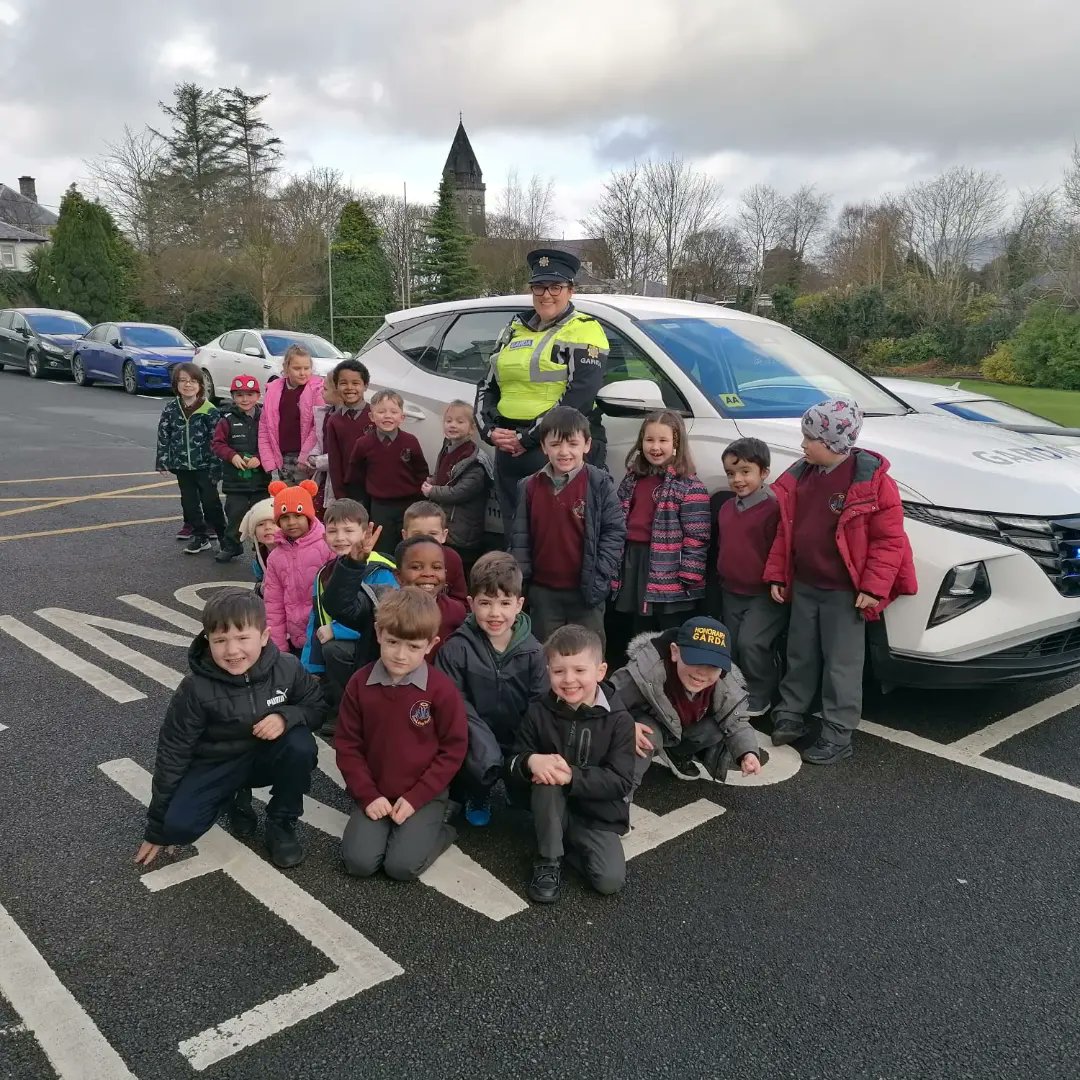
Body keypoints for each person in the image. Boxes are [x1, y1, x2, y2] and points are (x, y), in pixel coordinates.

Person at [765, 398, 917, 765]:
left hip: (845, 593)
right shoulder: (802, 475)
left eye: (809, 437)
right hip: (805, 584)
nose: (802, 445)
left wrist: (872, 586)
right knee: (799, 653)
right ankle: (791, 712)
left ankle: (838, 731)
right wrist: (777, 574)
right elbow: (786, 533)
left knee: (842, 663)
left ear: (832, 442)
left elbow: (889, 540)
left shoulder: (871, 482)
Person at [134, 589, 323, 870]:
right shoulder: (194, 689)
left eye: (243, 638)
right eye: (220, 640)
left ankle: (281, 822)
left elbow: (316, 707)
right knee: (178, 827)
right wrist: (159, 825)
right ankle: (235, 796)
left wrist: (286, 716)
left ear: (264, 636)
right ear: (207, 640)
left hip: (264, 758)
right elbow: (173, 753)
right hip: (217, 764)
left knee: (301, 746)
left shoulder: (288, 667)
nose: (232, 651)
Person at [335, 587, 468, 882]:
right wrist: (368, 795)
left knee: (401, 867)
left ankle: (442, 829)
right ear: (379, 633)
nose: (400, 654)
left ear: (431, 644)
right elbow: (347, 745)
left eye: (412, 646)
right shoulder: (360, 684)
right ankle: (399, 828)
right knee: (359, 863)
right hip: (376, 791)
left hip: (423, 794)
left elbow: (453, 749)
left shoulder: (441, 690)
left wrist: (417, 797)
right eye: (393, 642)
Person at [476, 248, 610, 530]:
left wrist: (529, 438)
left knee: (556, 533)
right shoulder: (514, 329)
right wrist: (488, 430)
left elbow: (580, 396)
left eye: (555, 287)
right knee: (516, 531)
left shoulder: (585, 329)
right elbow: (488, 384)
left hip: (554, 446)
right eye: (539, 286)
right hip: (510, 448)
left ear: (570, 290)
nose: (546, 294)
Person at [506, 624, 635, 904]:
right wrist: (530, 761)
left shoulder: (620, 720)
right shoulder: (538, 710)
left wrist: (573, 777)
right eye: (559, 671)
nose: (569, 680)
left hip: (598, 815)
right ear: (548, 670)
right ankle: (548, 858)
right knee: (548, 775)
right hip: (551, 803)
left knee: (609, 881)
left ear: (600, 672)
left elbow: (621, 781)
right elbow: (513, 762)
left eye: (579, 670)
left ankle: (563, 839)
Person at [434, 552, 548, 827]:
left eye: (505, 603)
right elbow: (453, 701)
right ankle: (478, 793)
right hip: (474, 733)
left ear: (519, 604)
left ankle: (515, 784)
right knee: (474, 757)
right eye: (485, 603)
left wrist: (527, 745)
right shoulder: (456, 648)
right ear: (471, 604)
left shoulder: (534, 652)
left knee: (524, 775)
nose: (495, 613)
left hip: (516, 730)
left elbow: (540, 702)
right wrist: (483, 743)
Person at [508, 407, 625, 644]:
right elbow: (519, 538)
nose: (564, 452)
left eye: (572, 444)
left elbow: (614, 532)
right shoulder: (528, 486)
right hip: (543, 592)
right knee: (545, 655)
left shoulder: (599, 483)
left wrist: (600, 575)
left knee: (587, 655)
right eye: (555, 444)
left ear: (587, 445)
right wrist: (524, 584)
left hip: (586, 592)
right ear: (543, 446)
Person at [609, 616, 765, 790]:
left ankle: (677, 753)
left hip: (679, 729)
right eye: (695, 660)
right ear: (675, 652)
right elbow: (607, 698)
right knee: (644, 739)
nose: (703, 673)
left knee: (719, 725)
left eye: (713, 666)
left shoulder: (724, 681)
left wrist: (748, 752)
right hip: (647, 723)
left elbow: (737, 720)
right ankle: (619, 793)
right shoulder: (647, 670)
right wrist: (626, 724)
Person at [612, 410, 711, 637]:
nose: (655, 447)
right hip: (633, 560)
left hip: (669, 567)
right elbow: (618, 518)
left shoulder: (689, 486)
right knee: (638, 627)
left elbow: (697, 536)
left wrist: (690, 574)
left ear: (677, 444)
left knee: (670, 628)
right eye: (649, 440)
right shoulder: (632, 479)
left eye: (663, 440)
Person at [302, 500, 397, 731]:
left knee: (334, 649)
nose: (340, 537)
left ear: (366, 533)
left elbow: (383, 616)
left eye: (349, 530)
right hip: (337, 648)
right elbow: (315, 620)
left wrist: (337, 630)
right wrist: (308, 667)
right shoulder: (326, 572)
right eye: (333, 531)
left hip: (372, 647)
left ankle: (350, 710)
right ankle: (337, 704)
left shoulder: (379, 569)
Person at [716, 438, 788, 717]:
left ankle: (760, 693)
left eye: (745, 472)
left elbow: (780, 549)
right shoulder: (726, 508)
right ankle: (737, 690)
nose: (737, 479)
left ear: (764, 473)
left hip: (763, 593)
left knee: (752, 643)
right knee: (732, 643)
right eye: (731, 473)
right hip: (731, 589)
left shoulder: (773, 509)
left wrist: (777, 580)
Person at [346, 390, 429, 554]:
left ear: (402, 417)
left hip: (408, 504)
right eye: (381, 411)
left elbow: (421, 472)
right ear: (371, 416)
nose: (387, 416)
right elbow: (355, 476)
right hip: (380, 506)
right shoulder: (363, 444)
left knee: (410, 546)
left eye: (393, 412)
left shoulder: (410, 441)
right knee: (383, 547)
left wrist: (421, 502)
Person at [156, 362, 226, 555]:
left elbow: (217, 440)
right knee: (189, 503)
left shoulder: (209, 410)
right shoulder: (171, 409)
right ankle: (199, 536)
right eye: (183, 381)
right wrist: (162, 459)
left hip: (205, 466)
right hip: (182, 465)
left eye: (193, 381)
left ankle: (225, 539)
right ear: (176, 384)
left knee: (211, 503)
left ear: (200, 385)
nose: (188, 385)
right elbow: (164, 435)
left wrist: (217, 465)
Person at [263, 479, 333, 656]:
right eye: (285, 517)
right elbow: (273, 605)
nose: (291, 522)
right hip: (294, 637)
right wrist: (278, 649)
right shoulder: (275, 558)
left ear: (309, 516)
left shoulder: (327, 546)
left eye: (298, 515)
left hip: (323, 633)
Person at [421, 400, 490, 574]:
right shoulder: (447, 447)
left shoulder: (474, 460)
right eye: (449, 421)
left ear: (472, 428)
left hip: (463, 530)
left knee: (459, 567)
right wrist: (433, 480)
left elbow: (460, 491)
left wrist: (432, 491)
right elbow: (443, 475)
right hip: (447, 523)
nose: (453, 425)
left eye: (460, 422)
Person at [211, 375, 273, 563]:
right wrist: (232, 456)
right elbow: (218, 444)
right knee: (235, 514)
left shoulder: (265, 418)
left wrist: (260, 459)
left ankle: (263, 547)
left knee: (263, 517)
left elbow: (272, 443)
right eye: (239, 395)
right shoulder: (226, 420)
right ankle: (232, 546)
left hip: (261, 481)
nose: (245, 399)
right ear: (233, 397)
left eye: (249, 394)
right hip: (235, 481)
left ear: (258, 396)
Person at [258, 344, 325, 486]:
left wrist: (305, 456)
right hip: (283, 457)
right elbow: (265, 426)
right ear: (286, 368)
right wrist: (269, 461)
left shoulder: (316, 390)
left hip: (306, 459)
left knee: (306, 502)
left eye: (306, 368)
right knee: (287, 501)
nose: (303, 373)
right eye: (297, 368)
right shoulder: (273, 390)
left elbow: (317, 426)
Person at [394, 537, 466, 659]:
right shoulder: (387, 609)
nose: (428, 573)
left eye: (437, 567)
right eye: (416, 567)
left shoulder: (455, 611)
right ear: (398, 576)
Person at [323, 359, 373, 507]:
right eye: (343, 383)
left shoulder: (376, 415)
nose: (350, 387)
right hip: (349, 490)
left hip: (377, 489)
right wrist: (340, 495)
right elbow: (334, 461)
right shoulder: (334, 421)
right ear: (337, 386)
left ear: (365, 385)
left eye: (355, 383)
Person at [402, 500, 468, 603]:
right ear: (405, 536)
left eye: (433, 534)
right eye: (418, 535)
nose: (426, 540)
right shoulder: (401, 559)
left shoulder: (452, 558)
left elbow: (461, 600)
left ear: (444, 535)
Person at [238, 497, 277, 597]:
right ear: (254, 533)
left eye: (274, 523)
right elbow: (260, 580)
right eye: (260, 524)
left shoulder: (294, 553)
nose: (268, 527)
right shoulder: (260, 557)